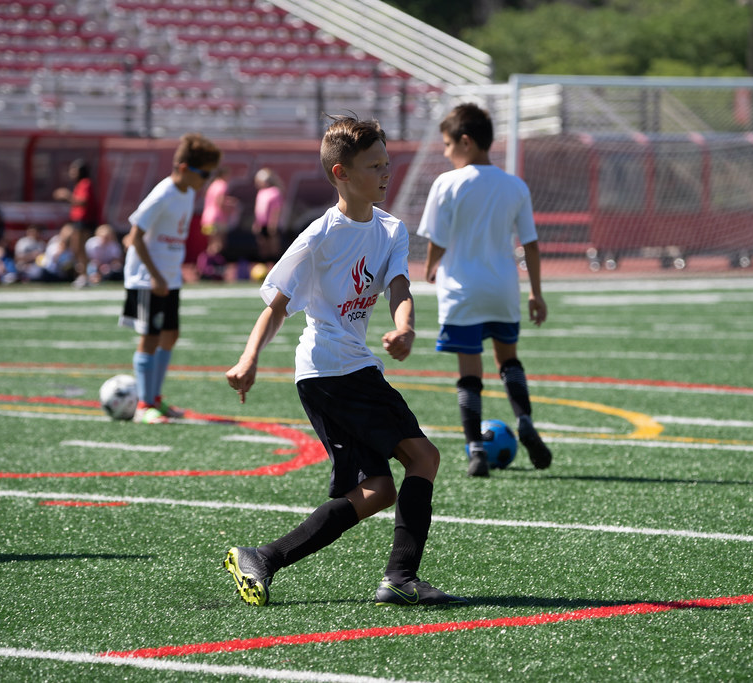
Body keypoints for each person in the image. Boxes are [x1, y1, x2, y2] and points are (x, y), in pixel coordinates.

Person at [223, 115, 466, 608]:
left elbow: (400, 285)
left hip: (337, 373)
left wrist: (405, 325)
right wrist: (249, 358)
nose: (385, 173)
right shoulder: (319, 237)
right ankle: (400, 578)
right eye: (374, 165)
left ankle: (262, 558)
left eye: (387, 163)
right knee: (424, 458)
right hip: (333, 369)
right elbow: (276, 307)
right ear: (342, 173)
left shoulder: (391, 228)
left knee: (378, 490)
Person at [416, 102, 553, 478]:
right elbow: (531, 244)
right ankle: (524, 419)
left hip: (462, 290)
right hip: (503, 289)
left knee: (469, 373)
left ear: (465, 141)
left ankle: (476, 448)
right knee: (508, 361)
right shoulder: (514, 185)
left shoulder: (447, 182)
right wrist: (535, 293)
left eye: (447, 145)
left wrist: (429, 268)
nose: (445, 153)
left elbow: (437, 239)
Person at [119, 133, 221, 424]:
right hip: (147, 278)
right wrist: (154, 277)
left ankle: (156, 399)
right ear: (185, 168)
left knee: (170, 335)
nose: (206, 180)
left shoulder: (188, 194)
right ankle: (143, 405)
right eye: (204, 174)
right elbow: (134, 237)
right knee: (149, 338)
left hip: (169, 277)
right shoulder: (163, 193)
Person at [54, 159, 100, 288]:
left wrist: (67, 196)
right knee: (75, 248)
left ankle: (85, 275)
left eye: (74, 169)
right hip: (77, 221)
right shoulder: (80, 184)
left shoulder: (86, 183)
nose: (71, 172)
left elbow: (83, 202)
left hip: (84, 221)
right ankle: (82, 274)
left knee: (80, 248)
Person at [252, 166, 284, 262]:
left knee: (273, 246)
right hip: (262, 224)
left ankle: (273, 264)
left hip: (271, 224)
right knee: (263, 246)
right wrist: (256, 223)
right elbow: (258, 209)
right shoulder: (261, 192)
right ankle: (264, 265)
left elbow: (276, 209)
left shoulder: (275, 192)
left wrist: (273, 224)